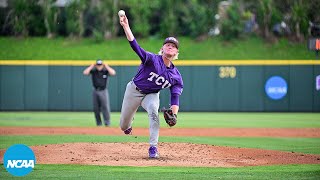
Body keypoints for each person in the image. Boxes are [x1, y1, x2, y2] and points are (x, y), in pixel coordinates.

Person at [119, 14, 183, 158]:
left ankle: (153, 148)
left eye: (173, 46)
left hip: (151, 95)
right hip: (134, 90)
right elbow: (135, 46)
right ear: (162, 48)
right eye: (168, 44)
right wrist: (126, 26)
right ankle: (129, 124)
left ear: (176, 52)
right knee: (123, 125)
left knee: (154, 111)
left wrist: (174, 114)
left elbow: (175, 97)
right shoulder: (152, 59)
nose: (170, 47)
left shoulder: (176, 76)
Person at [83, 59, 116, 127]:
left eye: (100, 65)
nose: (99, 66)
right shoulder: (94, 71)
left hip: (103, 91)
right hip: (95, 91)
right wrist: (92, 66)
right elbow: (85, 72)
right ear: (96, 65)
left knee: (105, 107)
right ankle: (99, 123)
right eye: (98, 65)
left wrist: (106, 66)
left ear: (102, 65)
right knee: (96, 108)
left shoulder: (105, 71)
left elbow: (113, 73)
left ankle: (107, 123)